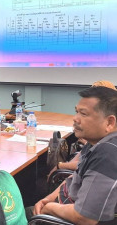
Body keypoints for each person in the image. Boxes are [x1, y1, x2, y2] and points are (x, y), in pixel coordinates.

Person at [31, 86, 117, 224]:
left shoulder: (107, 155)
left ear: (109, 122)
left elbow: (85, 217)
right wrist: (50, 198)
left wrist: (49, 208)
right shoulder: (96, 141)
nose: (75, 118)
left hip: (67, 217)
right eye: (76, 112)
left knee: (10, 215)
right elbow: (75, 176)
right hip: (63, 204)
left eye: (83, 114)